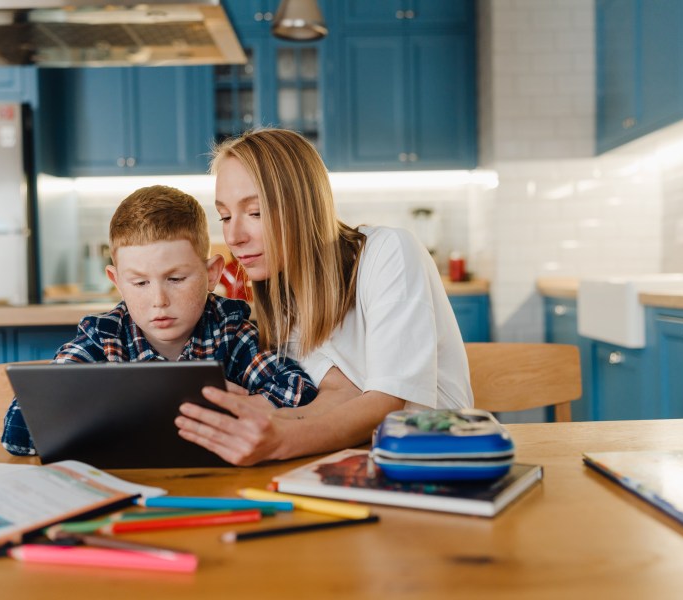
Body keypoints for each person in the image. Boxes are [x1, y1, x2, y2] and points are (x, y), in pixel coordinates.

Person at [175, 129, 472, 466]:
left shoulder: (388, 252)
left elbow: (386, 406)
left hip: (439, 460)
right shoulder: (283, 299)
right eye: (225, 216)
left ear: (303, 206)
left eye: (255, 213)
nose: (233, 236)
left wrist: (280, 438)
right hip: (363, 465)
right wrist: (251, 422)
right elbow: (336, 396)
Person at [1, 184, 317, 455]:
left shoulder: (230, 331)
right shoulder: (104, 338)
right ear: (117, 281)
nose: (159, 300)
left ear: (211, 274)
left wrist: (250, 402)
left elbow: (302, 396)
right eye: (139, 283)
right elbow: (19, 430)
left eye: (176, 278)